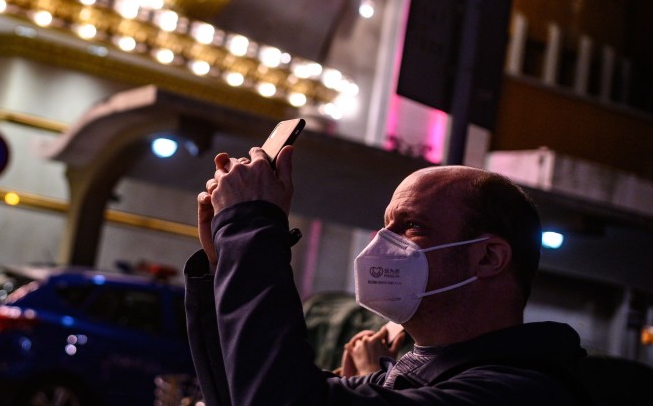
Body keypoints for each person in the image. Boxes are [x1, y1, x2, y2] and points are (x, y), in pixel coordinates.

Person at [184, 144, 589, 405]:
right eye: (385, 225)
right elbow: (244, 392)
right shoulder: (413, 373)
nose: (381, 242)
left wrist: (251, 228)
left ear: (487, 258)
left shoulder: (515, 394)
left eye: (411, 226)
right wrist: (225, 263)